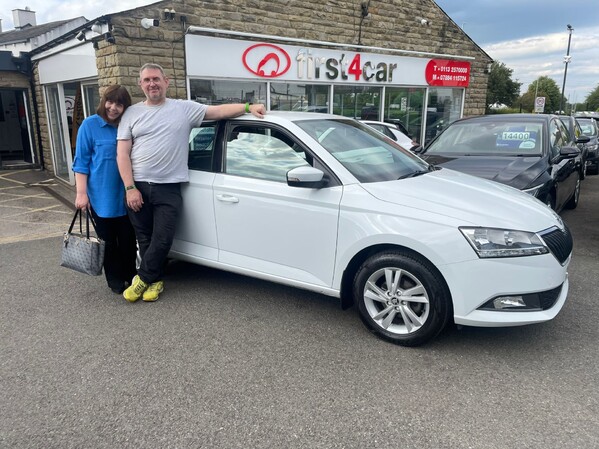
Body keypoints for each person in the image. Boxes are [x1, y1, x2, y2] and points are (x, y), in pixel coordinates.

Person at [117, 63, 266, 303]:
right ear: (140, 85)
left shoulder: (183, 109)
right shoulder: (132, 114)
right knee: (144, 237)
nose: (152, 84)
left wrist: (248, 106)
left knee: (163, 238)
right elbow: (122, 154)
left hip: (169, 187)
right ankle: (155, 281)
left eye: (156, 79)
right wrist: (130, 187)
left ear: (166, 82)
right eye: (147, 80)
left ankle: (143, 278)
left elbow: (217, 112)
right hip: (139, 186)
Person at [72, 85, 137, 294]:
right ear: (103, 101)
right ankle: (115, 279)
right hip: (101, 196)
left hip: (127, 193)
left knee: (128, 240)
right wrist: (81, 194)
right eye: (110, 102)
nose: (114, 107)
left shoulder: (128, 125)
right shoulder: (90, 126)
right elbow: (81, 163)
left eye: (120, 104)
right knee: (108, 241)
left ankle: (131, 275)